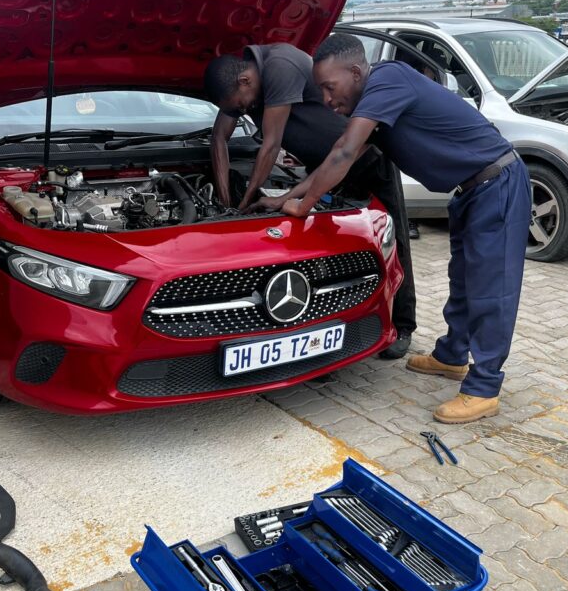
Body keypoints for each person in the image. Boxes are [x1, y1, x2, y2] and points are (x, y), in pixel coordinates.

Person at [261, 34, 531, 425]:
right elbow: (340, 154)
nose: (326, 99)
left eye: (330, 87)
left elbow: (344, 152)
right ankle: (452, 355)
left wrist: (302, 207)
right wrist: (287, 196)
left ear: (356, 73)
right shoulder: (375, 102)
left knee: (491, 288)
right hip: (471, 191)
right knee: (463, 280)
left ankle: (484, 387)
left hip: (497, 184)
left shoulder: (388, 80)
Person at [204, 44, 416, 358]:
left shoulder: (279, 65)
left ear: (245, 81)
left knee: (391, 240)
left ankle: (403, 325)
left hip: (365, 160)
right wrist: (225, 202)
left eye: (240, 106)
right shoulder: (236, 85)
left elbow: (271, 144)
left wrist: (244, 205)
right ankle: (322, 331)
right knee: (324, 250)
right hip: (321, 171)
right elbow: (219, 138)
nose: (241, 112)